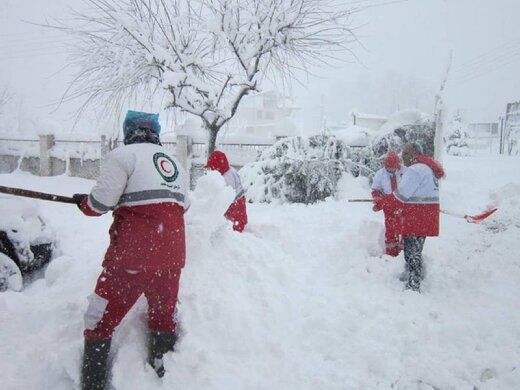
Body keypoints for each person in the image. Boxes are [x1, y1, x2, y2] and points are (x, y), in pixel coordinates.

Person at [72, 110, 190, 389]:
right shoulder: (175, 163)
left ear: (129, 132)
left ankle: (93, 384)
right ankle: (163, 374)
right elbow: (182, 206)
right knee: (163, 317)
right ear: (155, 132)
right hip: (172, 256)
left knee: (98, 319)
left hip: (133, 256)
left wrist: (84, 202)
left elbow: (100, 203)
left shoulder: (122, 157)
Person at [376, 143, 444, 292]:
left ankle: (413, 284)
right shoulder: (427, 168)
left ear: (414, 154)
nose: (403, 156)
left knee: (412, 251)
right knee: (415, 249)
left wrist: (382, 203)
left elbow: (401, 195)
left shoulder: (415, 170)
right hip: (425, 215)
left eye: (406, 153)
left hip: (417, 217)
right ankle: (412, 277)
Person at [371, 150, 406, 256]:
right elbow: (375, 189)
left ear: (398, 164)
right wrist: (378, 198)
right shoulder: (380, 174)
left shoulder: (405, 172)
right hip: (388, 205)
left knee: (404, 228)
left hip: (403, 204)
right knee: (390, 227)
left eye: (393, 167)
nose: (391, 170)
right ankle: (391, 252)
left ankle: (404, 250)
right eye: (389, 168)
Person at [204, 150, 248, 232]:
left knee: (233, 229)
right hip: (238, 204)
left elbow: (225, 199)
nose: (211, 170)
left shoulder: (226, 178)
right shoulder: (230, 170)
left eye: (212, 167)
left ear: (217, 166)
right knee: (236, 224)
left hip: (235, 206)